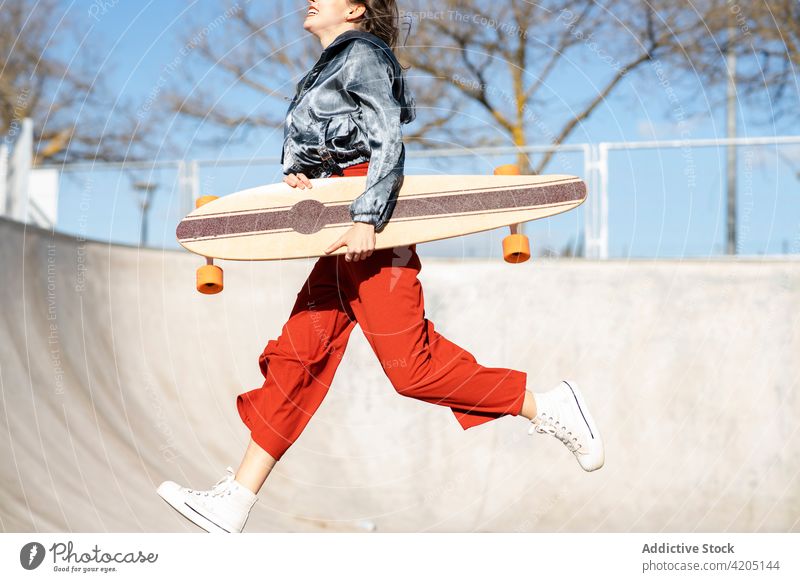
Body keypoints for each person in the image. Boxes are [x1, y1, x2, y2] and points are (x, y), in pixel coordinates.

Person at [157, 0, 604, 534]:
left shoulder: (364, 54)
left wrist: (367, 217)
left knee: (410, 368)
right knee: (298, 356)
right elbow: (333, 142)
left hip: (372, 223)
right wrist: (305, 175)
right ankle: (236, 500)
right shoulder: (326, 67)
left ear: (355, 9)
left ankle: (546, 405)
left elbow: (386, 135)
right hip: (339, 224)